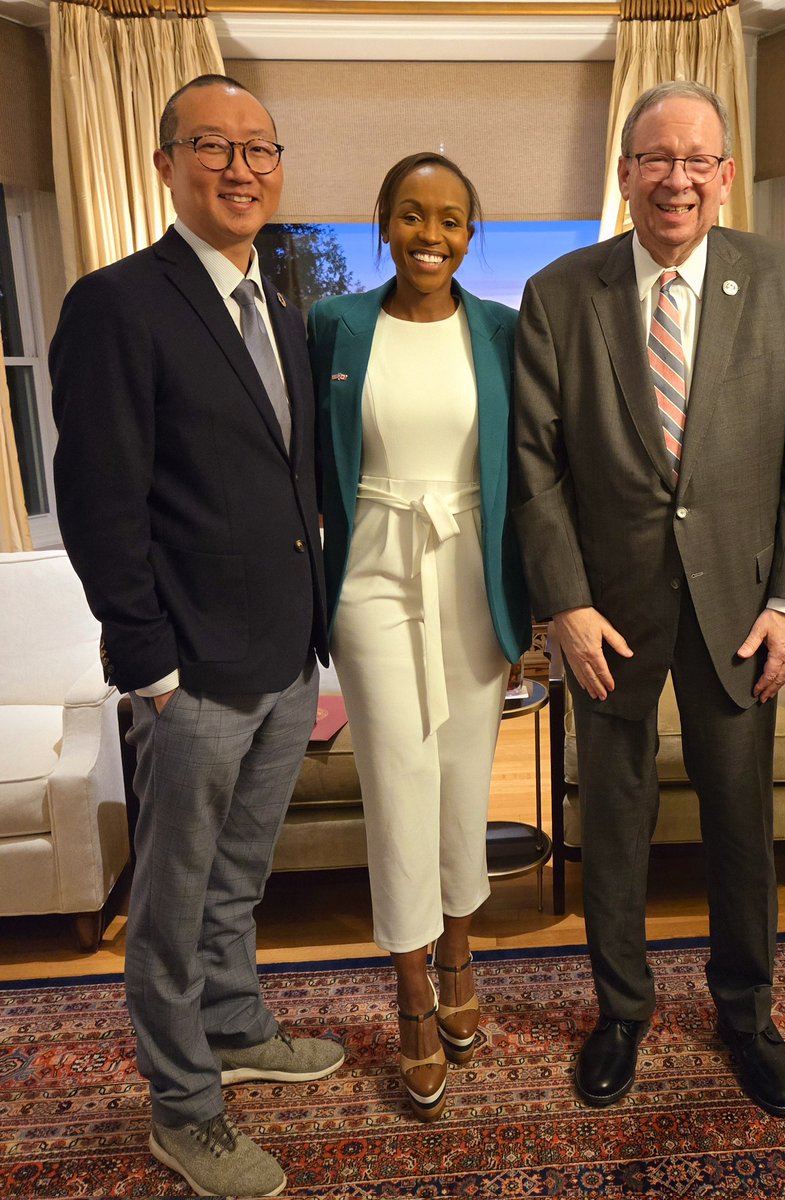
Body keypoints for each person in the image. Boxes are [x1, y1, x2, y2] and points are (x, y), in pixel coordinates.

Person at [513, 81, 785, 1117]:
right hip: (606, 612)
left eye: (699, 159)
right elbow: (537, 467)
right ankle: (622, 1012)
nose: (678, 178)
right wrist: (563, 603)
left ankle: (747, 1014)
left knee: (741, 819)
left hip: (742, 606)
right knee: (613, 816)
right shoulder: (562, 294)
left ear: (727, 175)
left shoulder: (783, 280)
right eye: (657, 158)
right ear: (626, 172)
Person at [50, 74, 344, 1197]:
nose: (239, 168)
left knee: (236, 882)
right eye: (212, 146)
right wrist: (151, 667)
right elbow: (100, 501)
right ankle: (184, 1107)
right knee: (170, 906)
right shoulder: (117, 303)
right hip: (192, 673)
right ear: (164, 162)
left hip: (280, 659)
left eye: (259, 148)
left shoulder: (277, 304)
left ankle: (232, 1027)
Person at [308, 152, 530, 1122]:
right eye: (409, 214)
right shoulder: (334, 325)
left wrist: (534, 599)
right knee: (396, 775)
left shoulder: (505, 332)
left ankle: (458, 950)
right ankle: (409, 991)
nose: (428, 234)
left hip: (471, 573)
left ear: (470, 235)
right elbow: (304, 457)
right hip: (372, 570)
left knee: (461, 775)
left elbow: (527, 472)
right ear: (383, 225)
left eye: (448, 219)